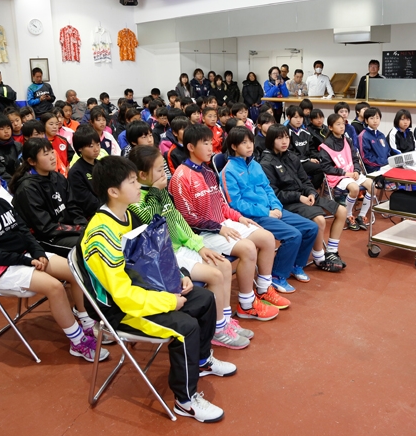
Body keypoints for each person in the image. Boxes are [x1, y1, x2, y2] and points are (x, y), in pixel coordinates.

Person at [81, 155, 236, 422]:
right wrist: (169, 301)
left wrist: (180, 276)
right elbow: (122, 296)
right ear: (113, 192)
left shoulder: (128, 215)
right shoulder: (101, 236)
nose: (138, 186)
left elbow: (156, 255)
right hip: (120, 310)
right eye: (132, 182)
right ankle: (185, 401)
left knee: (204, 298)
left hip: (145, 290)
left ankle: (202, 361)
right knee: (186, 327)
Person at [0, 155, 108, 362]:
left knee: (76, 270)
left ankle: (87, 322)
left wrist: (37, 253)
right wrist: (28, 261)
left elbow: (24, 231)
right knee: (55, 287)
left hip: (24, 256)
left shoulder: (1, 202)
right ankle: (78, 342)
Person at [129, 145, 252, 349]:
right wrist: (155, 192)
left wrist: (198, 246)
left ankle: (225, 321)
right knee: (215, 275)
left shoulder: (159, 191)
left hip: (180, 248)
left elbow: (177, 219)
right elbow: (150, 221)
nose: (164, 174)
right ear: (142, 175)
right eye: (159, 170)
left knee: (222, 264)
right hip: (165, 256)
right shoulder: (137, 200)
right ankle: (217, 330)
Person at [169, 124, 284, 318]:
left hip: (222, 224)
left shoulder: (207, 171)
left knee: (267, 238)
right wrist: (218, 228)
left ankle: (264, 289)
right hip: (203, 234)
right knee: (248, 248)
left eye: (210, 142)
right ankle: (247, 304)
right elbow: (187, 218)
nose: (210, 148)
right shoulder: (181, 177)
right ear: (190, 147)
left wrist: (239, 217)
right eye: (205, 143)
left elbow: (221, 204)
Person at [222, 126, 319, 293]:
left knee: (311, 227)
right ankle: (277, 276)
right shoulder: (228, 171)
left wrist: (276, 206)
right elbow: (236, 204)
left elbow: (268, 189)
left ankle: (295, 265)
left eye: (251, 142)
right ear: (233, 146)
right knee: (293, 235)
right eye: (244, 143)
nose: (249, 146)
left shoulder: (255, 165)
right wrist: (266, 212)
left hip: (271, 210)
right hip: (253, 216)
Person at [260, 125, 346, 271]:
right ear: (271, 140)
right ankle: (319, 258)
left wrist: (311, 193)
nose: (284, 141)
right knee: (319, 220)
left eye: (286, 137)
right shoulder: (266, 163)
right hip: (288, 202)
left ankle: (331, 251)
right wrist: (299, 197)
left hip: (304, 196)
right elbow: (275, 194)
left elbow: (305, 180)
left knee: (342, 211)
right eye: (279, 138)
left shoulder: (292, 156)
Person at [9, 138, 87, 257]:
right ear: (32, 161)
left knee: (97, 234)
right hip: (46, 237)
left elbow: (73, 206)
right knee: (89, 244)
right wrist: (78, 229)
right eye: (46, 154)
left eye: (52, 152)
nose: (52, 157)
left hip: (66, 229)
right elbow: (45, 227)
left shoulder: (58, 177)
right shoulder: (27, 188)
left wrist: (83, 225)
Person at [321, 113, 374, 231]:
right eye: (338, 124)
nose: (342, 127)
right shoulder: (326, 145)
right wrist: (345, 173)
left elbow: (355, 158)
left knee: (372, 185)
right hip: (338, 175)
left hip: (352, 172)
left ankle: (361, 216)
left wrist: (356, 170)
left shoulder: (347, 140)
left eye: (343, 124)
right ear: (330, 127)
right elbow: (326, 167)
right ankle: (348, 216)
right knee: (354, 188)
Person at [286, 105, 324, 189]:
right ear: (289, 117)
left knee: (325, 164)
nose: (299, 120)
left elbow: (312, 149)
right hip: (294, 162)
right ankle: (311, 190)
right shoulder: (286, 133)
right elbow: (289, 152)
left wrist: (318, 158)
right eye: (295, 117)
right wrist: (308, 159)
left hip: (307, 161)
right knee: (320, 169)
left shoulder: (305, 133)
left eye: (301, 117)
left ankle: (311, 190)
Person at [68, 125, 101, 220]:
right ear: (80, 148)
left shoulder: (101, 165)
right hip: (91, 216)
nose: (96, 149)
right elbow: (87, 202)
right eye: (91, 146)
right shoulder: (75, 172)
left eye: (98, 144)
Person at [358, 107, 392, 174]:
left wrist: (389, 162)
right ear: (366, 121)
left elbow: (388, 152)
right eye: (372, 118)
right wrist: (383, 162)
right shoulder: (363, 135)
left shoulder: (381, 135)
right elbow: (365, 158)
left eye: (377, 118)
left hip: (385, 166)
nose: (375, 121)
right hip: (373, 169)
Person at [41, 112, 74, 176]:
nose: (54, 127)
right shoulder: (40, 142)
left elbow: (72, 157)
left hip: (64, 175)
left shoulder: (63, 140)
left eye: (56, 124)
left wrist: (68, 168)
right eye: (51, 124)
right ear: (43, 125)